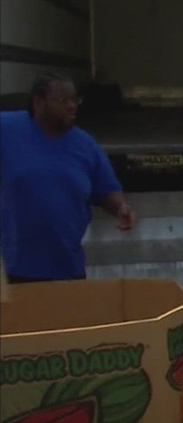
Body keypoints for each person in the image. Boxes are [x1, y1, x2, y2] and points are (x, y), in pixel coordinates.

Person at [1, 72, 136, 283]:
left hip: (67, 269)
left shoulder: (85, 146)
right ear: (38, 102)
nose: (72, 106)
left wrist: (120, 208)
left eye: (75, 100)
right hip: (13, 269)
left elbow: (105, 189)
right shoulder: (8, 129)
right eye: (63, 100)